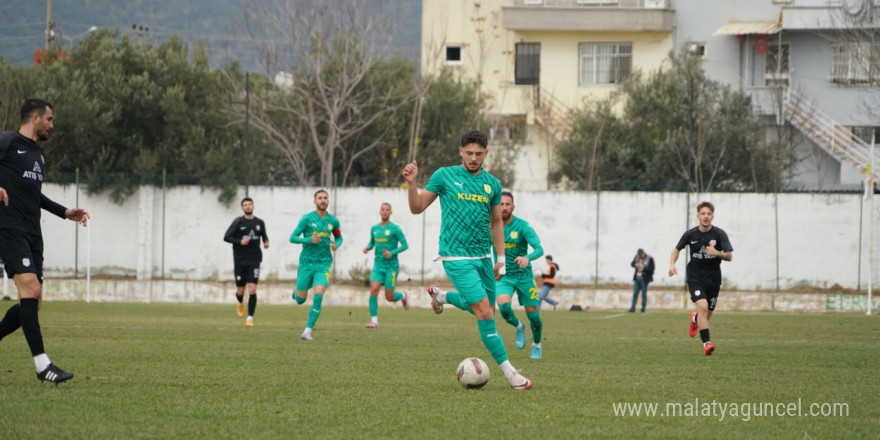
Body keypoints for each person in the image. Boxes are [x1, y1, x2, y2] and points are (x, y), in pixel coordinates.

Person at [402, 129, 532, 390]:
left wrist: (501, 258)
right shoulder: (444, 176)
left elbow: (496, 222)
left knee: (487, 310)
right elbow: (417, 209)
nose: (474, 158)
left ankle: (441, 297)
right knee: (485, 312)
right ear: (460, 151)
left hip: (484, 256)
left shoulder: (492, 184)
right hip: (455, 256)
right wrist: (412, 183)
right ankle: (511, 374)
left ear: (486, 154)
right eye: (469, 153)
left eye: (479, 154)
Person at [0, 98, 90, 383]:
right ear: (35, 118)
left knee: (34, 301)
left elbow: (32, 195)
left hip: (33, 233)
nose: (52, 125)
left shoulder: (38, 154)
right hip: (8, 228)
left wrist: (64, 212)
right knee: (30, 287)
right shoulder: (7, 142)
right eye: (50, 119)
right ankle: (43, 366)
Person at [669, 201, 733, 356]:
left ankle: (695, 319)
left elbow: (729, 256)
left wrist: (717, 253)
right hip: (695, 277)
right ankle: (707, 343)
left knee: (707, 313)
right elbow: (677, 249)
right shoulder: (690, 234)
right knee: (703, 307)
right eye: (703, 213)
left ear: (712, 216)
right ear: (698, 216)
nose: (706, 216)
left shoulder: (719, 234)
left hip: (713, 279)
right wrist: (672, 264)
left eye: (709, 214)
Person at [496, 191, 545, 359]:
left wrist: (527, 257)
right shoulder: (492, 226)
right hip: (504, 277)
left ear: (513, 207)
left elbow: (539, 249)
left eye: (507, 204)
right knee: (503, 307)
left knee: (534, 317)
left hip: (524, 277)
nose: (504, 207)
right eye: (501, 204)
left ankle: (537, 345)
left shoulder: (523, 226)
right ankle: (518, 326)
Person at [289, 189, 343, 341]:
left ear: (328, 201)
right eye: (320, 198)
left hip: (323, 264)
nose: (323, 200)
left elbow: (339, 238)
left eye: (325, 198)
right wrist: (308, 240)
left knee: (318, 295)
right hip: (306, 263)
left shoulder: (333, 221)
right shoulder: (306, 219)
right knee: (300, 300)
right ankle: (296, 293)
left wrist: (336, 245)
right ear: (315, 201)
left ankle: (307, 331)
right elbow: (292, 238)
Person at [223, 197, 270, 327]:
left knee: (253, 289)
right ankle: (239, 302)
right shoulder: (238, 222)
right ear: (242, 208)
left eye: (250, 204)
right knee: (240, 290)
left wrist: (266, 242)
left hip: (254, 260)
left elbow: (264, 236)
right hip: (240, 260)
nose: (248, 206)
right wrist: (239, 242)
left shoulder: (260, 222)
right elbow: (226, 237)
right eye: (245, 205)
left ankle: (250, 317)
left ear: (253, 206)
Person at [362, 202, 409, 328]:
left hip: (391, 267)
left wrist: (392, 252)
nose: (385, 212)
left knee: (389, 297)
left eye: (387, 210)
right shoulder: (375, 228)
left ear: (391, 212)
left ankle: (403, 295)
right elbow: (372, 242)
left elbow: (405, 245)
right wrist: (368, 247)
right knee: (373, 289)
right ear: (380, 212)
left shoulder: (395, 229)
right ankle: (374, 321)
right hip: (378, 266)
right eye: (383, 209)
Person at [629, 248, 655, 313]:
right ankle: (633, 308)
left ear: (643, 253)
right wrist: (636, 265)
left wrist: (643, 269)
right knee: (635, 294)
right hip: (637, 279)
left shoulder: (650, 258)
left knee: (643, 294)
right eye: (639, 256)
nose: (640, 257)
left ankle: (643, 308)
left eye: (641, 255)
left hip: (644, 279)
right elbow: (632, 264)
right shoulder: (636, 257)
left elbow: (652, 269)